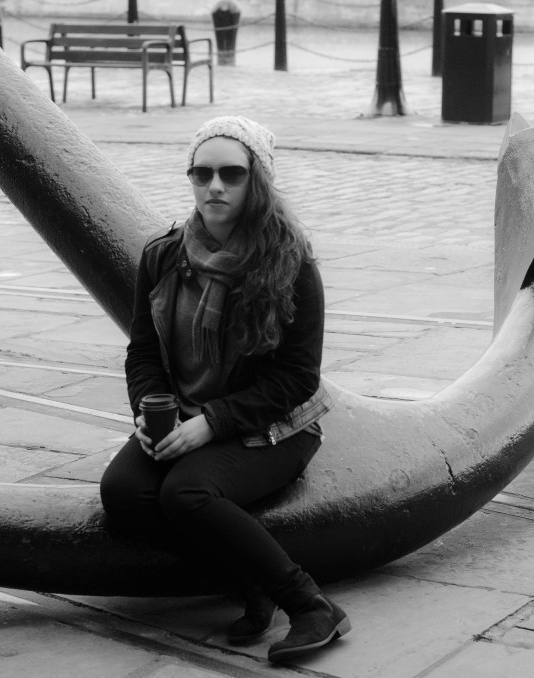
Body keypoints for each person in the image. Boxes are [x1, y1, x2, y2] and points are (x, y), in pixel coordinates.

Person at [100, 115, 350, 663]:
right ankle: (246, 584)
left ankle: (309, 605)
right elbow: (142, 351)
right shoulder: (162, 257)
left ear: (256, 181)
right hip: (183, 415)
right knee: (122, 493)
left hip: (274, 424)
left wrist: (210, 424)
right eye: (201, 173)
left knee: (184, 494)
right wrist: (148, 411)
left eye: (231, 174)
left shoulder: (290, 263)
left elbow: (297, 377)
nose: (214, 186)